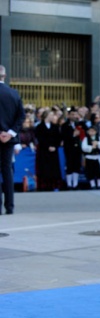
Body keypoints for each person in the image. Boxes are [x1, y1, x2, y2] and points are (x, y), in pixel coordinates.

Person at [0, 64, 26, 214]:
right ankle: (10, 207)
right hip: (9, 138)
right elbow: (21, 116)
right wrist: (10, 133)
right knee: (7, 170)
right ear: (4, 76)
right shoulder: (14, 93)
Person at [81, 125, 100, 189]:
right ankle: (92, 185)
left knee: (99, 171)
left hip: (97, 157)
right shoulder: (86, 139)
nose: (91, 132)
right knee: (90, 172)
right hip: (89, 157)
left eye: (93, 131)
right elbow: (83, 147)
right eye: (90, 131)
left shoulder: (99, 138)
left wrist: (97, 144)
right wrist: (91, 147)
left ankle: (99, 184)